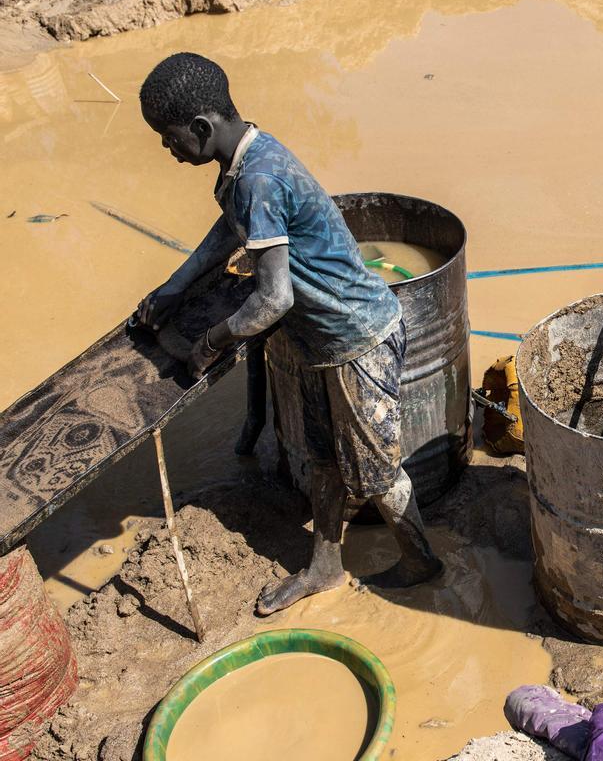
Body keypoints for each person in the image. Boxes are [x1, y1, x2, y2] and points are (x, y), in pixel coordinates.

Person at [134, 52, 443, 614]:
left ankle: (422, 562)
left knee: (374, 471)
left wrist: (211, 341)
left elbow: (273, 298)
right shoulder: (244, 162)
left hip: (356, 339)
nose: (167, 149)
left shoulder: (258, 177)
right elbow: (225, 237)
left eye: (169, 138)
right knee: (323, 458)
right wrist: (175, 287)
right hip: (316, 342)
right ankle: (325, 567)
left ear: (201, 128)